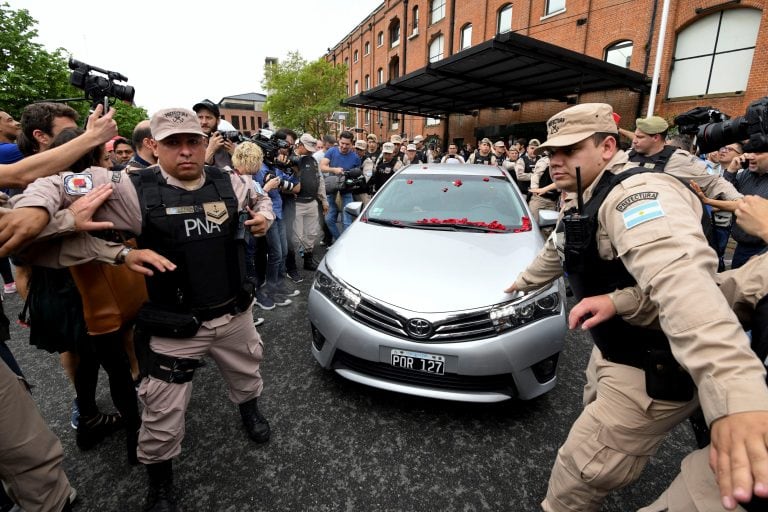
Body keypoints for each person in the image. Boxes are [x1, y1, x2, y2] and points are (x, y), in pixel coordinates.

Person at [2, 108, 275, 511]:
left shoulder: (228, 179)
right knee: (161, 414)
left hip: (234, 314)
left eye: (193, 141)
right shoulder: (131, 186)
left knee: (248, 373)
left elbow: (259, 195)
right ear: (155, 146)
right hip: (176, 327)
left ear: (204, 144)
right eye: (173, 143)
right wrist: (36, 211)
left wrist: (265, 217)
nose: (185, 151)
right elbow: (58, 184)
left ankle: (249, 412)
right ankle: (160, 483)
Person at [504, 103, 768, 512]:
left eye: (569, 150)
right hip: (613, 349)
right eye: (550, 153)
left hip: (650, 366)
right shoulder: (582, 191)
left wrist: (736, 395)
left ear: (607, 146)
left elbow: (682, 285)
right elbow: (559, 251)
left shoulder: (637, 196)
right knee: (596, 431)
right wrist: (516, 286)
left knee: (581, 467)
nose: (555, 161)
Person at [722, 150, 768, 268]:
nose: (750, 156)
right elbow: (723, 197)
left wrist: (762, 255)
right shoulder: (745, 174)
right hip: (741, 249)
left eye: (758, 152)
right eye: (749, 151)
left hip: (762, 253)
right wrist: (731, 171)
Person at [291, 133, 328, 270]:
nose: (310, 151)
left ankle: (308, 260)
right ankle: (290, 265)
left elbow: (320, 181)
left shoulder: (313, 160)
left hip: (312, 201)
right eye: (307, 148)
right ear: (299, 145)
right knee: (296, 237)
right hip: (297, 203)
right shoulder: (291, 160)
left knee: (311, 233)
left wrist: (324, 201)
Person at [320, 130, 361, 242]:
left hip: (347, 191)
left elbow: (358, 175)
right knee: (328, 220)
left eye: (347, 144)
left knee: (347, 221)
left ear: (352, 144)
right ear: (339, 141)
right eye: (342, 143)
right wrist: (334, 169)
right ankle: (339, 241)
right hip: (332, 189)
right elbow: (322, 166)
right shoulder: (332, 151)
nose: (344, 146)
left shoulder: (355, 157)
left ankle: (346, 244)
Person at [193, 99, 234, 170]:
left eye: (208, 117)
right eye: (200, 117)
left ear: (218, 120)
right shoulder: (190, 143)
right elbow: (193, 175)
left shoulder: (227, 140)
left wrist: (235, 154)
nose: (204, 122)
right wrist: (210, 150)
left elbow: (248, 171)